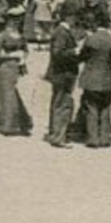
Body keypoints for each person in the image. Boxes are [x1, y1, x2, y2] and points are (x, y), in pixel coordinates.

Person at [78, 12, 111, 149]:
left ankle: (93, 138)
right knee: (106, 108)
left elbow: (82, 56)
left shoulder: (90, 40)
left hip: (91, 77)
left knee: (91, 108)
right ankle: (105, 138)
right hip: (107, 77)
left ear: (96, 24)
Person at [0, 6, 33, 137]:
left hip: (17, 69)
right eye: (14, 19)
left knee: (14, 94)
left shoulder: (21, 36)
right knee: (8, 96)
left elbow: (26, 50)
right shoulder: (2, 36)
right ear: (8, 20)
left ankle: (12, 122)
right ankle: (8, 125)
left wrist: (23, 58)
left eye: (19, 19)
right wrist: (13, 56)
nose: (16, 22)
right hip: (5, 68)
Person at [44, 8, 80, 148]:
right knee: (63, 104)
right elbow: (58, 53)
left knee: (57, 102)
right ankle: (59, 137)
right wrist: (75, 51)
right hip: (63, 73)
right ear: (69, 16)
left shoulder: (62, 31)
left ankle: (55, 133)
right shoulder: (61, 32)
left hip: (60, 74)